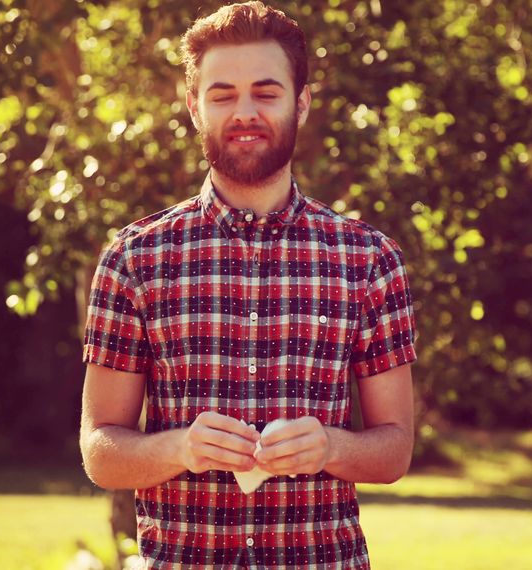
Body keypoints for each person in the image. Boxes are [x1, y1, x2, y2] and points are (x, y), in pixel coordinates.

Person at [79, 2, 417, 567]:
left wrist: (332, 446)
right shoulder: (134, 259)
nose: (245, 112)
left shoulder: (370, 260)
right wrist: (180, 448)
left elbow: (394, 450)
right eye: (222, 95)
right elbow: (100, 450)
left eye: (265, 92)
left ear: (301, 102)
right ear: (194, 107)